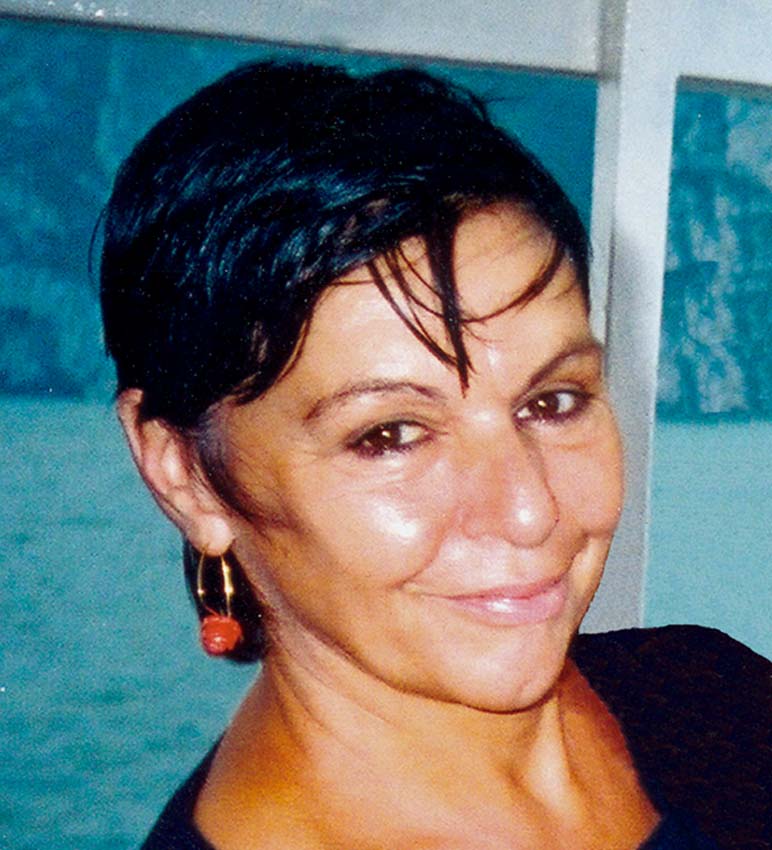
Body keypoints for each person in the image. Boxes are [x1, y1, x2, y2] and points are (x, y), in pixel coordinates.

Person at [99, 61, 769, 850]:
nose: (529, 510)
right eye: (389, 435)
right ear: (185, 475)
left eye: (552, 402)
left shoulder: (709, 694)